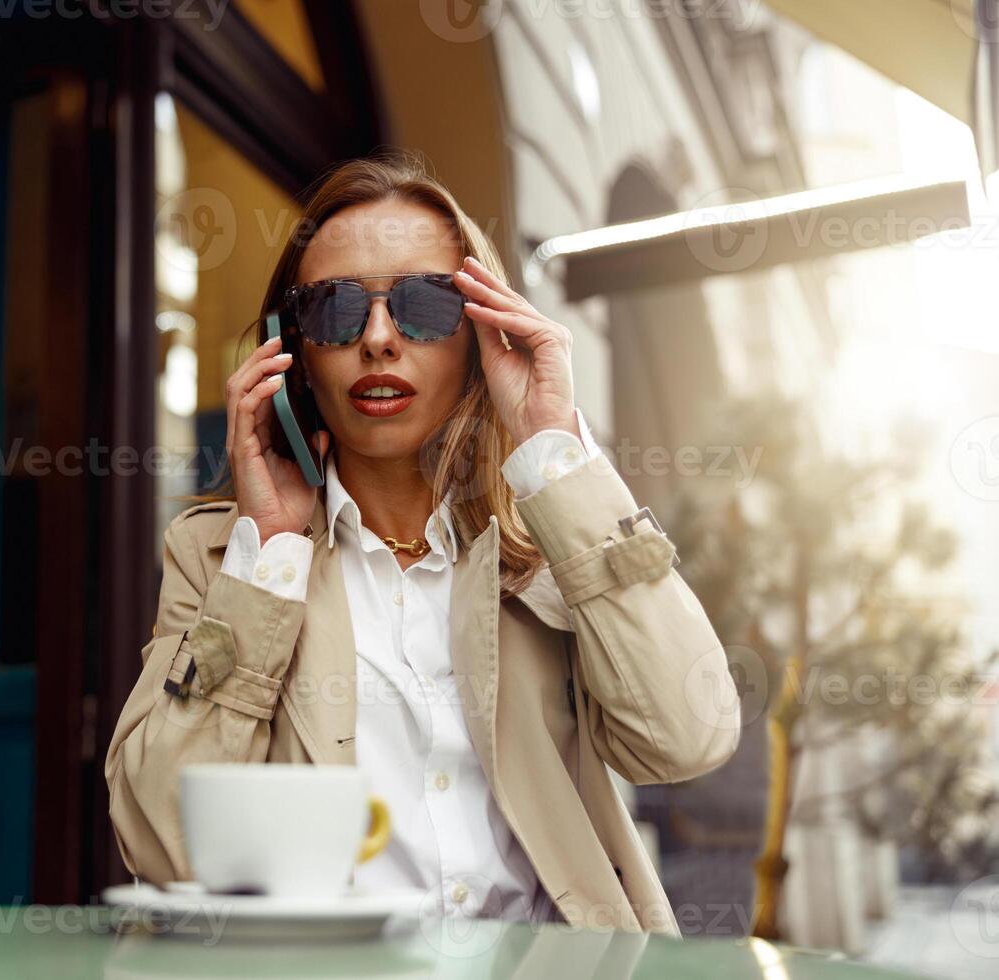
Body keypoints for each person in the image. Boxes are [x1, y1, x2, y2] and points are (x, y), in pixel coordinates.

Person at [105, 150, 739, 935]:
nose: (377, 338)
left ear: (481, 334)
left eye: (425, 305)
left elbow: (688, 735)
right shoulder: (221, 559)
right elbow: (158, 839)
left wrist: (554, 453)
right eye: (336, 309)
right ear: (292, 352)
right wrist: (267, 554)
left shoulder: (547, 548)